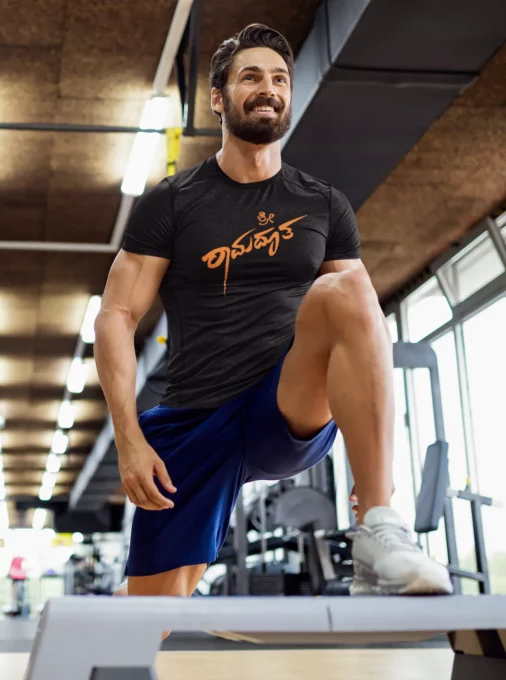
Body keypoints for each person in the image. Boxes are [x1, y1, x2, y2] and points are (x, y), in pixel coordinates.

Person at [95, 24, 453, 606]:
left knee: (346, 292)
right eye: (251, 77)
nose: (269, 88)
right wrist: (129, 437)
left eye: (280, 78)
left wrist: (372, 490)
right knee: (144, 619)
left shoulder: (323, 203)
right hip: (195, 418)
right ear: (218, 98)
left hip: (282, 404)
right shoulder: (174, 201)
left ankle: (379, 525)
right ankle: (129, 602)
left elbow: (360, 317)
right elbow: (114, 315)